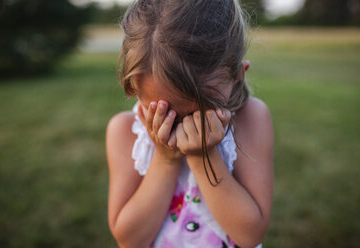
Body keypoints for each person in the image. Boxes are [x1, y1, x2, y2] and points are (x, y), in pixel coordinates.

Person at [106, 0, 274, 247]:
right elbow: (130, 239)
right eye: (166, 113)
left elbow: (249, 235)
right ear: (135, 88)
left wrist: (203, 156)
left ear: (237, 74)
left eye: (197, 113)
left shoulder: (251, 118)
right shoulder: (125, 131)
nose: (184, 129)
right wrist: (165, 159)